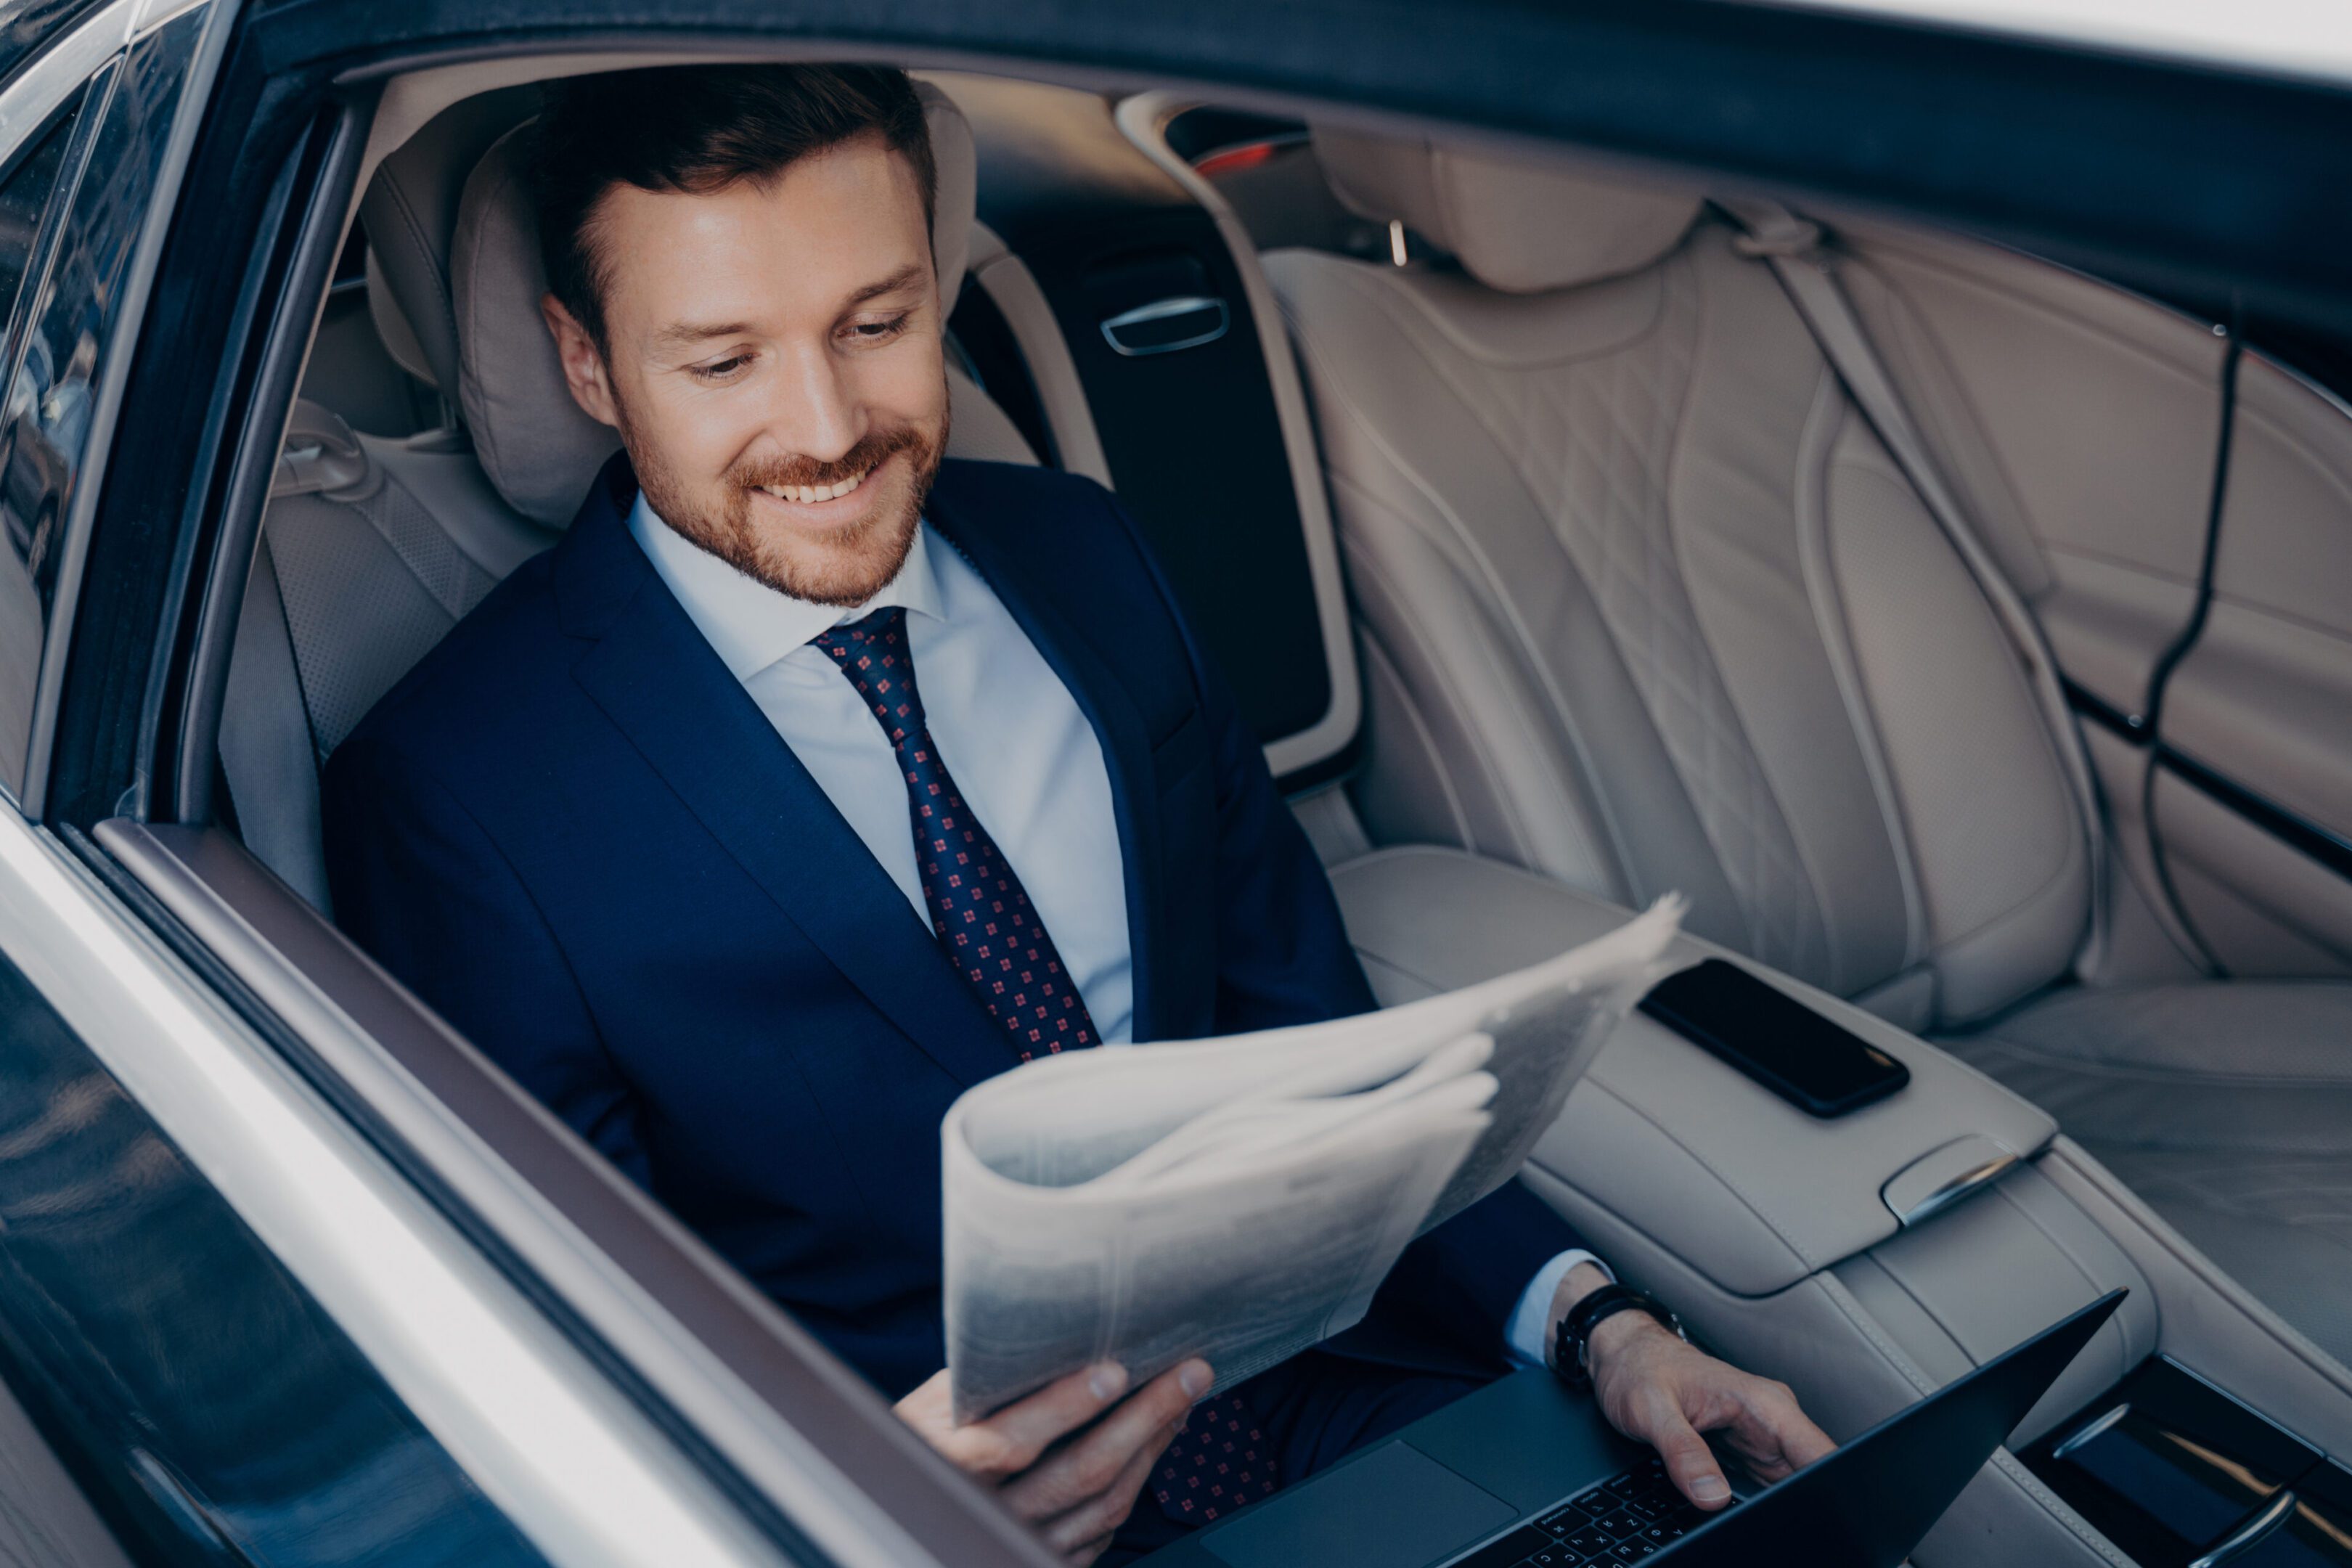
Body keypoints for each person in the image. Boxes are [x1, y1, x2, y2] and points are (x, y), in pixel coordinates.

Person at [322, 62, 1832, 1565]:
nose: (830, 428)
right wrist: (861, 1507)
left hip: (1353, 1418)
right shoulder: (460, 793)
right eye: (721, 362)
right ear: (588, 366)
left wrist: (1599, 1328)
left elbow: (1306, 1035)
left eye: (878, 324)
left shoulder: (1086, 556)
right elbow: (575, 1345)